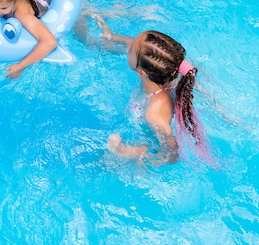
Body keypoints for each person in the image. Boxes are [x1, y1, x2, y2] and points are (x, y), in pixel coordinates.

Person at [77, 9, 212, 166]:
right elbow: (133, 43)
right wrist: (113, 36)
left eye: (132, 50)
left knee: (101, 163)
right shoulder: (164, 69)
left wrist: (124, 150)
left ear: (141, 73)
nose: (129, 45)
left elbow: (172, 155)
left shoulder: (154, 114)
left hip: (144, 143)